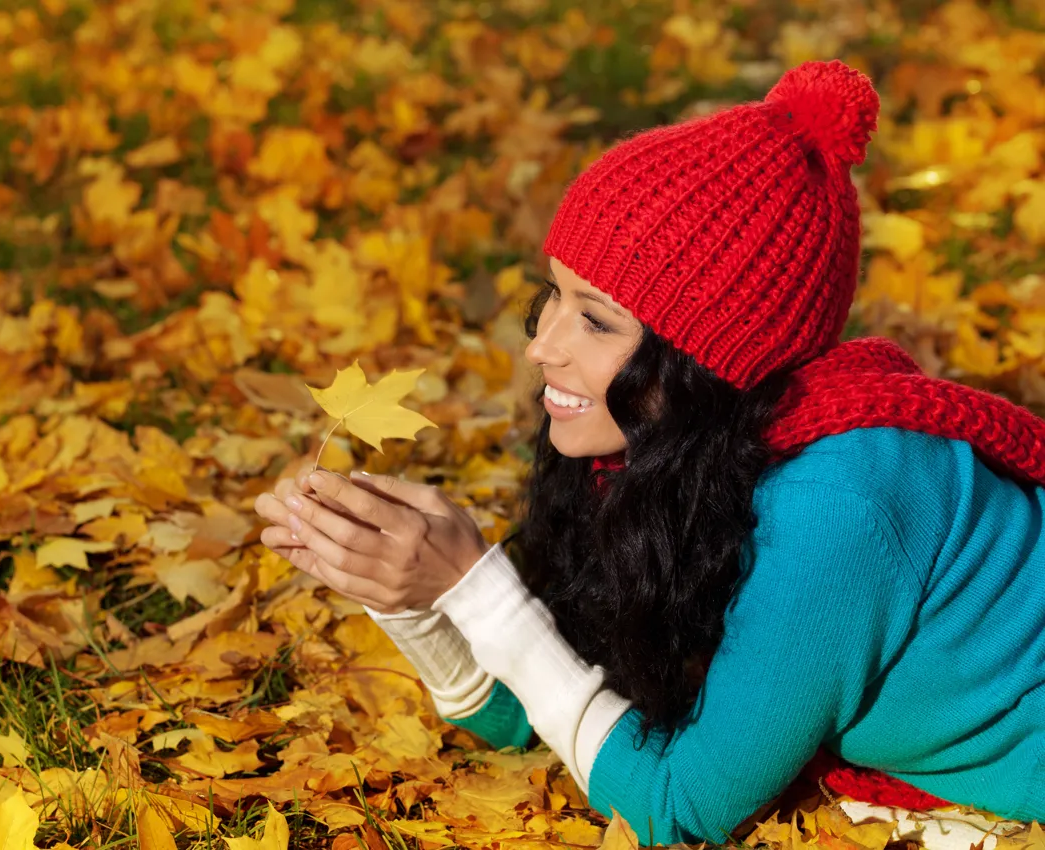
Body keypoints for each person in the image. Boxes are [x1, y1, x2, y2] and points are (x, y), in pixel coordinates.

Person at [253, 60, 1045, 845]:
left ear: (708, 362)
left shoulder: (835, 504)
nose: (541, 347)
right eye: (554, 295)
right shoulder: (680, 454)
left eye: (596, 321)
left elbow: (677, 806)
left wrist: (480, 587)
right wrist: (408, 597)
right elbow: (557, 717)